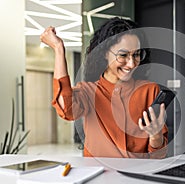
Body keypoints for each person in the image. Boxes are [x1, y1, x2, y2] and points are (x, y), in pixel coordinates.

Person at [40, 17, 168, 158]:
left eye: (137, 54)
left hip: (136, 177)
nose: (131, 64)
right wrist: (59, 50)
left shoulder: (150, 91)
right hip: (98, 175)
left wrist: (156, 135)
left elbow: (158, 156)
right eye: (123, 55)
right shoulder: (87, 91)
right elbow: (66, 110)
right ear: (105, 53)